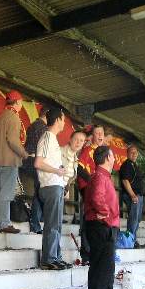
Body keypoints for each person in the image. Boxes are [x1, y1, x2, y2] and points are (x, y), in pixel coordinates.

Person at [84, 145, 124, 289]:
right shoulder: (99, 176)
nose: (114, 158)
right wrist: (105, 214)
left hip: (106, 226)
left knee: (107, 269)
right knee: (101, 270)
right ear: (107, 157)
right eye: (113, 156)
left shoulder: (103, 176)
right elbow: (97, 198)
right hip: (101, 226)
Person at [35, 106, 71, 270]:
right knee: (52, 224)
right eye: (63, 119)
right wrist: (57, 171)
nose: (64, 123)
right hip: (50, 186)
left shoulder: (53, 138)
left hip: (56, 185)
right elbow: (38, 163)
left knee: (56, 224)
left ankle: (56, 256)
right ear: (57, 120)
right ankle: (48, 259)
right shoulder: (47, 137)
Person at [0, 91, 31, 234]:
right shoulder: (14, 117)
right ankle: (4, 224)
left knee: (0, 192)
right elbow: (13, 141)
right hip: (9, 160)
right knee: (6, 194)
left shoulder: (0, 117)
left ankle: (1, 223)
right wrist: (25, 154)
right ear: (18, 102)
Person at [77, 125, 106, 263]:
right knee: (88, 219)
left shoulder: (102, 152)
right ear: (92, 136)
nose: (100, 135)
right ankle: (86, 254)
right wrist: (91, 181)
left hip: (99, 190)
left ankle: (93, 252)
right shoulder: (88, 150)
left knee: (95, 220)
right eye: (97, 133)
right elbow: (79, 166)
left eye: (102, 133)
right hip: (88, 188)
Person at [24, 107, 50, 234]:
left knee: (39, 192)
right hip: (36, 161)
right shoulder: (43, 128)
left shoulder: (33, 125)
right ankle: (35, 222)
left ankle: (37, 220)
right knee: (40, 193)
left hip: (28, 161)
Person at [119, 144, 143, 246]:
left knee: (137, 219)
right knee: (133, 218)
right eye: (131, 152)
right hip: (133, 195)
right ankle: (130, 239)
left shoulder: (134, 164)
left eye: (135, 152)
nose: (134, 154)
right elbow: (125, 180)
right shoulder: (126, 164)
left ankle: (132, 238)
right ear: (127, 153)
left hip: (138, 195)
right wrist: (132, 195)